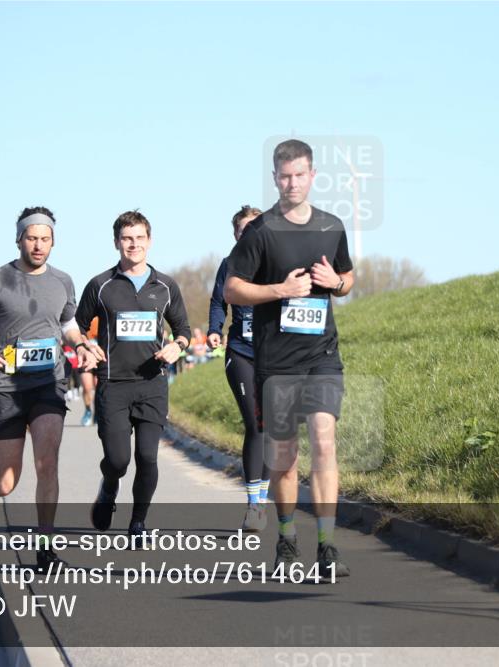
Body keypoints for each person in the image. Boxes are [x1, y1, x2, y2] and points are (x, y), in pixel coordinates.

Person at [224, 139, 355, 578]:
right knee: (285, 457)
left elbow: (348, 276)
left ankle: (328, 545)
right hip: (275, 361)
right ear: (275, 178)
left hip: (322, 355)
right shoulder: (261, 232)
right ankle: (285, 538)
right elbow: (233, 288)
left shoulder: (332, 226)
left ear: (313, 176)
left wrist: (336, 283)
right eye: (284, 176)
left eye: (300, 175)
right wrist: (281, 290)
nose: (292, 182)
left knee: (323, 439)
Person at [0, 207, 102, 570]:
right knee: (6, 481)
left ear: (53, 241)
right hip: (6, 388)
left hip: (47, 384)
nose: (38, 246)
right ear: (19, 239)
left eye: (45, 239)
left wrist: (81, 343)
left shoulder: (63, 281)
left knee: (47, 464)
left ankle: (45, 548)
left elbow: (67, 322)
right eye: (32, 238)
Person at [77, 211, 190, 542]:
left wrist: (178, 347)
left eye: (140, 238)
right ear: (116, 243)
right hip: (113, 384)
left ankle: (138, 523)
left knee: (147, 456)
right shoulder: (101, 285)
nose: (134, 244)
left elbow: (182, 328)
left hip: (153, 383)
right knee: (118, 459)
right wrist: (84, 346)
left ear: (150, 241)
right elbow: (77, 326)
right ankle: (108, 487)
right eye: (127, 238)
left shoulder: (166, 286)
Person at [208, 205, 270, 531]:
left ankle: (263, 496)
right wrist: (215, 329)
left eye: (253, 228)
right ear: (235, 235)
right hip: (240, 353)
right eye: (242, 230)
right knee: (256, 423)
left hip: (274, 356)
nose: (247, 235)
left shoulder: (274, 262)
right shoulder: (229, 265)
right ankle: (254, 505)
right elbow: (219, 302)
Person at [79, 317, 99, 426]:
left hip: (99, 354)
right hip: (85, 354)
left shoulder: (103, 312)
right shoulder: (82, 315)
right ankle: (87, 410)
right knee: (87, 386)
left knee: (98, 386)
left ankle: (97, 413)